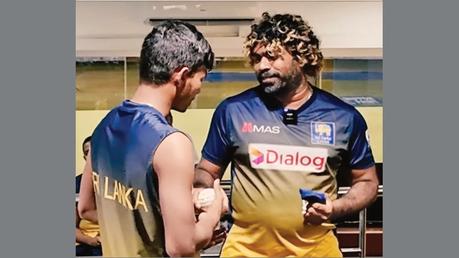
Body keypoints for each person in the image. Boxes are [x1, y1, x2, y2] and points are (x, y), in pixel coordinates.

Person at [193, 12, 379, 257]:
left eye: (272, 56)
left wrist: (335, 208)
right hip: (245, 251)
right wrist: (204, 191)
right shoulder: (233, 111)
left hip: (316, 251)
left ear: (301, 57)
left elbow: (367, 182)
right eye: (257, 58)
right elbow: (206, 171)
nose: (262, 66)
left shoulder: (344, 117)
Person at [78, 20, 226, 257]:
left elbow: (86, 208)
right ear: (182, 75)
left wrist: (177, 221)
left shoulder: (103, 127)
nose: (200, 89)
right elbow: (181, 247)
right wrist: (213, 212)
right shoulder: (170, 143)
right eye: (201, 78)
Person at [75, 136, 102, 256]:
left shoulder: (117, 180)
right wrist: (91, 241)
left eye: (95, 151)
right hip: (85, 241)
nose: (91, 156)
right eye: (87, 153)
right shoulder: (76, 183)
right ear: (84, 157)